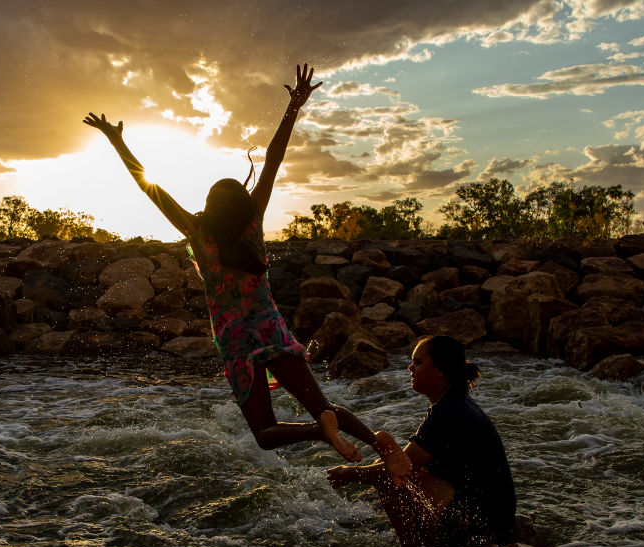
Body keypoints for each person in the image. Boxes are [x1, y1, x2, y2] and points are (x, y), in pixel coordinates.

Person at [83, 64, 411, 483]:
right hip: (271, 329)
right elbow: (274, 159)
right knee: (324, 403)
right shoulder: (252, 222)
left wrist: (117, 141)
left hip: (237, 340)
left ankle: (317, 432)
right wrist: (294, 106)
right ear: (241, 203)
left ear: (210, 205)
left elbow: (150, 188)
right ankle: (383, 446)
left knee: (265, 433)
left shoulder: (198, 232)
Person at [327, 335, 516, 547]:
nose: (410, 368)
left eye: (417, 362)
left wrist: (346, 474)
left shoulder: (447, 411)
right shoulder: (456, 404)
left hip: (480, 529)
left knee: (390, 477)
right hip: (494, 521)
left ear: (440, 369)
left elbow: (397, 468)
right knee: (390, 465)